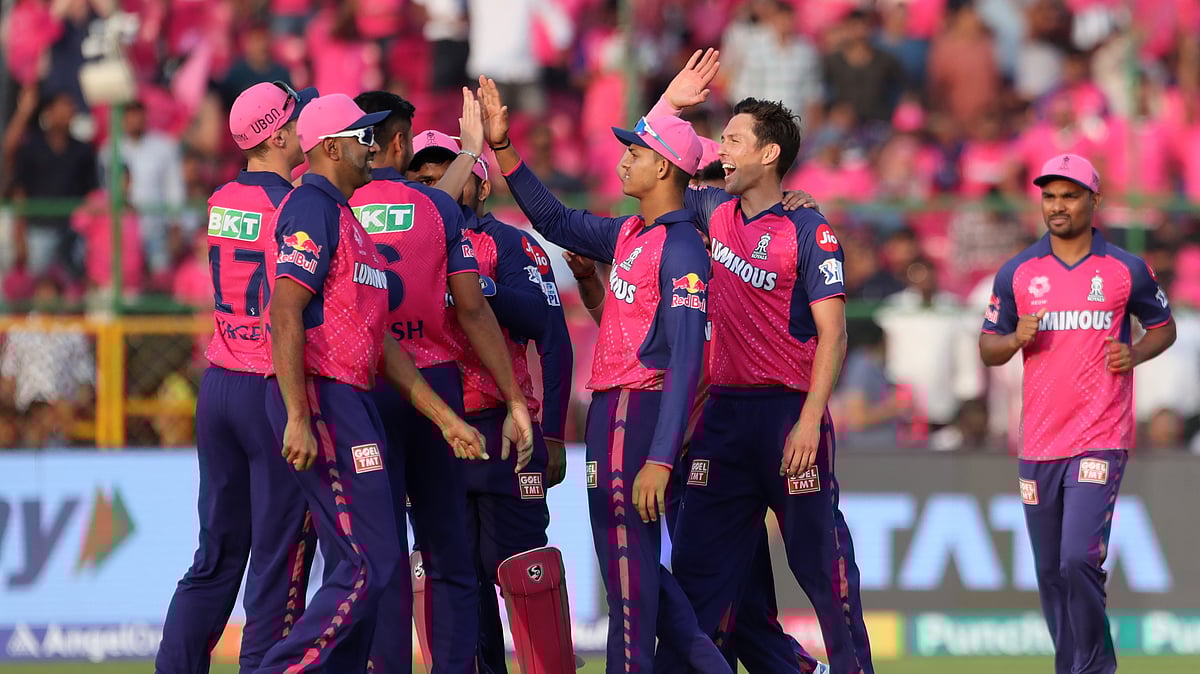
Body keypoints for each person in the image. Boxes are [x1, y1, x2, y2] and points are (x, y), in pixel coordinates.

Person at [481, 76, 730, 673]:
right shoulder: (629, 234)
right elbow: (557, 220)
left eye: (636, 153)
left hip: (640, 415)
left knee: (629, 575)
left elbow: (687, 361)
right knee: (630, 569)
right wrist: (503, 147)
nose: (623, 160)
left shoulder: (684, 251)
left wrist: (662, 457)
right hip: (610, 414)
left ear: (667, 170)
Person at [652, 71, 875, 674]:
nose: (720, 150)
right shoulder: (706, 207)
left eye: (733, 140)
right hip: (722, 419)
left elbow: (835, 333)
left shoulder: (810, 231)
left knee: (825, 575)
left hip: (787, 419)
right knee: (697, 578)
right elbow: (653, 156)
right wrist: (671, 102)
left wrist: (807, 423)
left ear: (769, 153)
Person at [258, 92, 484, 673]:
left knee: (367, 564)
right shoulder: (312, 208)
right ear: (330, 147)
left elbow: (379, 341)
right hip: (323, 396)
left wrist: (444, 417)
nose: (372, 148)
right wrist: (298, 417)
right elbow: (285, 311)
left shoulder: (344, 217)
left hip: (348, 397)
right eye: (361, 139)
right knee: (369, 564)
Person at [348, 90, 534, 674]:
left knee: (380, 554)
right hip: (433, 383)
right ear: (401, 142)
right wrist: (513, 398)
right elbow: (475, 311)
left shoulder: (328, 202)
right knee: (446, 549)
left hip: (360, 384)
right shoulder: (437, 211)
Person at [979, 153, 1176, 674]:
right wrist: (1015, 338)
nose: (1057, 206)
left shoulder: (1124, 269)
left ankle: (1090, 669)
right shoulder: (1019, 272)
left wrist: (1135, 352)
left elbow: (1164, 326)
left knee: (1078, 560)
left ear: (1095, 201)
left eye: (1069, 195)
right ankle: (1079, 664)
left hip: (1100, 437)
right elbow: (988, 347)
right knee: (1049, 571)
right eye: (1049, 196)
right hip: (1039, 443)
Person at [156, 80, 318, 674]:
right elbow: (289, 313)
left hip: (219, 381)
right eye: (297, 119)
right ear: (277, 135)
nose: (306, 127)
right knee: (276, 561)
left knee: (216, 557)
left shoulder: (224, 197)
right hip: (269, 389)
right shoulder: (292, 206)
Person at [406, 128, 574, 672]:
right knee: (449, 582)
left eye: (447, 177)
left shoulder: (511, 244)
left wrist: (550, 434)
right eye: (425, 180)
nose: (439, 188)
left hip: (505, 433)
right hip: (437, 433)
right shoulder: (405, 250)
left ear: (481, 187)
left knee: (527, 573)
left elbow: (550, 332)